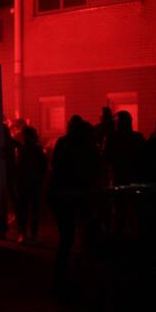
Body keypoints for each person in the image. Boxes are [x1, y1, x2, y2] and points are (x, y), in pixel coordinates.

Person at [49, 116, 102, 295]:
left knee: (66, 237)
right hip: (80, 195)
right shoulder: (88, 147)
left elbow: (55, 167)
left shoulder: (63, 143)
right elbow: (95, 170)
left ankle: (61, 277)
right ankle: (83, 275)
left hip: (62, 195)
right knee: (85, 235)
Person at [16, 125, 47, 243]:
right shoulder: (38, 150)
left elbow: (18, 167)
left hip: (24, 183)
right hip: (34, 183)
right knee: (34, 209)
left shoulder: (21, 149)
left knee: (24, 209)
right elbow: (43, 166)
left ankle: (23, 233)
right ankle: (32, 234)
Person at [103, 110, 145, 186]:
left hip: (119, 174)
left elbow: (106, 157)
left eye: (117, 122)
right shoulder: (138, 137)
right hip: (132, 174)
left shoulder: (111, 138)